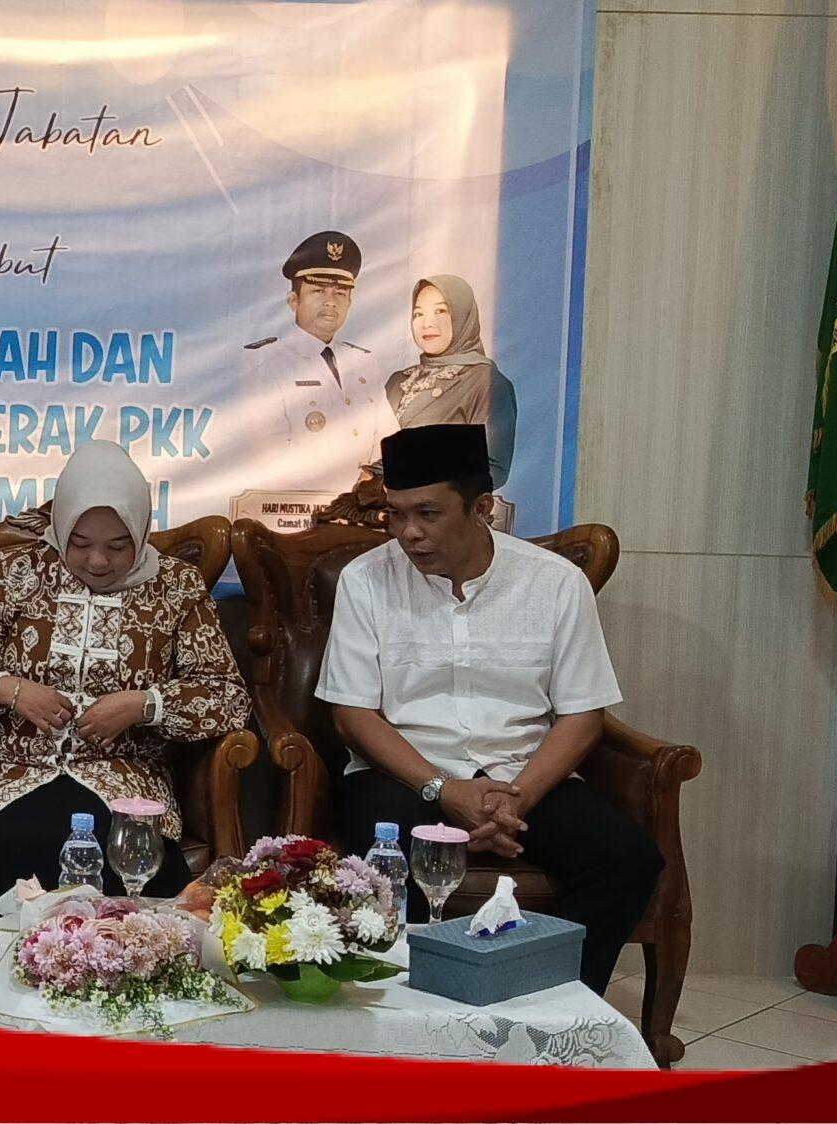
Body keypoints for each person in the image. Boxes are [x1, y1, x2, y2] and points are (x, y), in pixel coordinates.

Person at [315, 424, 659, 993]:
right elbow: (352, 714)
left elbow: (583, 713)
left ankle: (545, 1000)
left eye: (427, 513)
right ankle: (404, 1011)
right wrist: (444, 789)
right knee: (378, 851)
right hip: (403, 776)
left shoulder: (555, 583)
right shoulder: (367, 580)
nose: (408, 533)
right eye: (396, 514)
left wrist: (516, 798)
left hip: (523, 775)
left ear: (482, 509)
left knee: (627, 858)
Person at [0, 441, 251, 976]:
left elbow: (227, 698)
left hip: (124, 780)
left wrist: (146, 705)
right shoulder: (16, 573)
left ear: (141, 530)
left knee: (125, 854)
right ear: (60, 527)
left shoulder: (177, 587)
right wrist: (10, 689)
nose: (98, 561)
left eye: (118, 546)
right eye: (80, 543)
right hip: (6, 773)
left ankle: (117, 1003)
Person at [238, 232, 397, 495]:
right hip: (298, 508)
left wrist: (372, 483)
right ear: (293, 301)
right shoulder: (264, 361)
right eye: (318, 291)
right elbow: (273, 453)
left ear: (350, 302)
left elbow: (389, 439)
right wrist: (348, 491)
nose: (330, 302)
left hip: (365, 506)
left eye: (340, 293)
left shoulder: (363, 362)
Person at [385, 276, 518, 489]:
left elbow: (493, 467)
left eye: (440, 311)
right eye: (418, 314)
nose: (427, 323)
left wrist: (410, 484)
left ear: (463, 316)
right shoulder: (398, 382)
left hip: (437, 506)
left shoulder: (485, 382)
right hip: (380, 504)